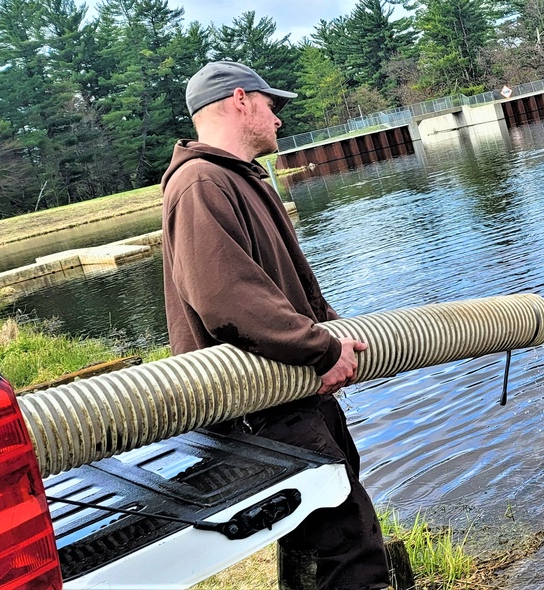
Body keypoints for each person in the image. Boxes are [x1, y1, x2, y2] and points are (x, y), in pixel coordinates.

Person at [160, 61, 390, 590]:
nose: (278, 120)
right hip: (263, 409)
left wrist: (332, 331)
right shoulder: (201, 182)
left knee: (317, 544)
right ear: (240, 101)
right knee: (348, 550)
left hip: (292, 394)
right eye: (271, 106)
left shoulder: (236, 178)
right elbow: (226, 298)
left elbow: (286, 288)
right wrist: (319, 350)